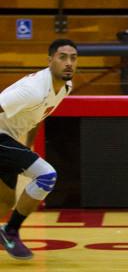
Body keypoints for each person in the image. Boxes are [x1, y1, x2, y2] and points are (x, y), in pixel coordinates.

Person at [0, 39, 76, 260]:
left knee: (5, 203)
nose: (69, 63)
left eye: (73, 58)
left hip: (9, 140)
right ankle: (10, 231)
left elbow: (38, 117)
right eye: (63, 57)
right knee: (46, 175)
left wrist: (27, 147)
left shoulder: (65, 87)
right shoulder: (32, 90)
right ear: (50, 60)